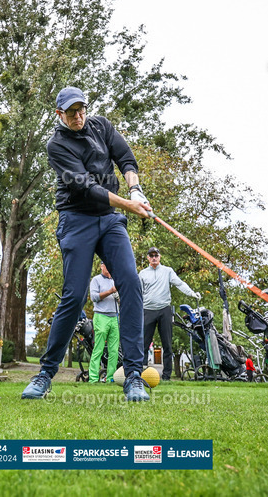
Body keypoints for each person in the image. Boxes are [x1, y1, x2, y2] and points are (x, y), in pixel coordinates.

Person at [22, 87, 154, 402]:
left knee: (131, 283)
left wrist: (135, 191)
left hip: (108, 220)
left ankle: (133, 375)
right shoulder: (57, 146)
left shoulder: (100, 126)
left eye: (81, 110)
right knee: (75, 295)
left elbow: (125, 158)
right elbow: (86, 187)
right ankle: (45, 374)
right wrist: (128, 205)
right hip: (76, 219)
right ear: (59, 114)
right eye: (71, 113)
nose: (78, 117)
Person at [140, 247, 200, 381]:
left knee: (167, 343)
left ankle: (166, 376)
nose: (154, 258)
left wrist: (191, 293)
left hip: (164, 310)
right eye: (151, 255)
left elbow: (179, 283)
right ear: (148, 258)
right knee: (144, 343)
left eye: (156, 255)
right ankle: (141, 373)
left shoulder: (168, 271)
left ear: (159, 257)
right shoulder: (143, 273)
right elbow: (138, 292)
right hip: (147, 310)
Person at [88, 263, 120, 383]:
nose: (108, 267)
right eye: (105, 264)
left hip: (114, 317)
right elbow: (94, 297)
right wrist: (110, 291)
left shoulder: (116, 280)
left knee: (114, 350)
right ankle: (93, 378)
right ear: (101, 266)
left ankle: (110, 378)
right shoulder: (96, 280)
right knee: (99, 348)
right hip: (101, 316)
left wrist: (119, 297)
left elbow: (121, 301)